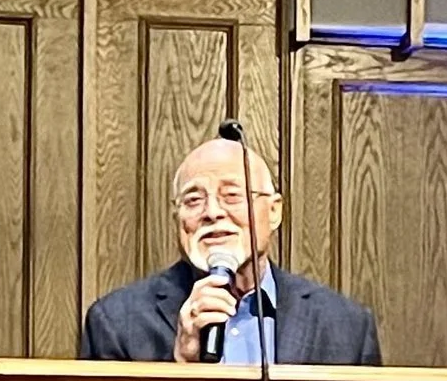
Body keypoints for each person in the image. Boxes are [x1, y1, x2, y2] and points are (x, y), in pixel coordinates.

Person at [80, 135, 381, 364]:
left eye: (232, 196)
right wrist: (182, 367)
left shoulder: (346, 326)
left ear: (274, 211)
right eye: (193, 200)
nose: (212, 212)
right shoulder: (115, 322)